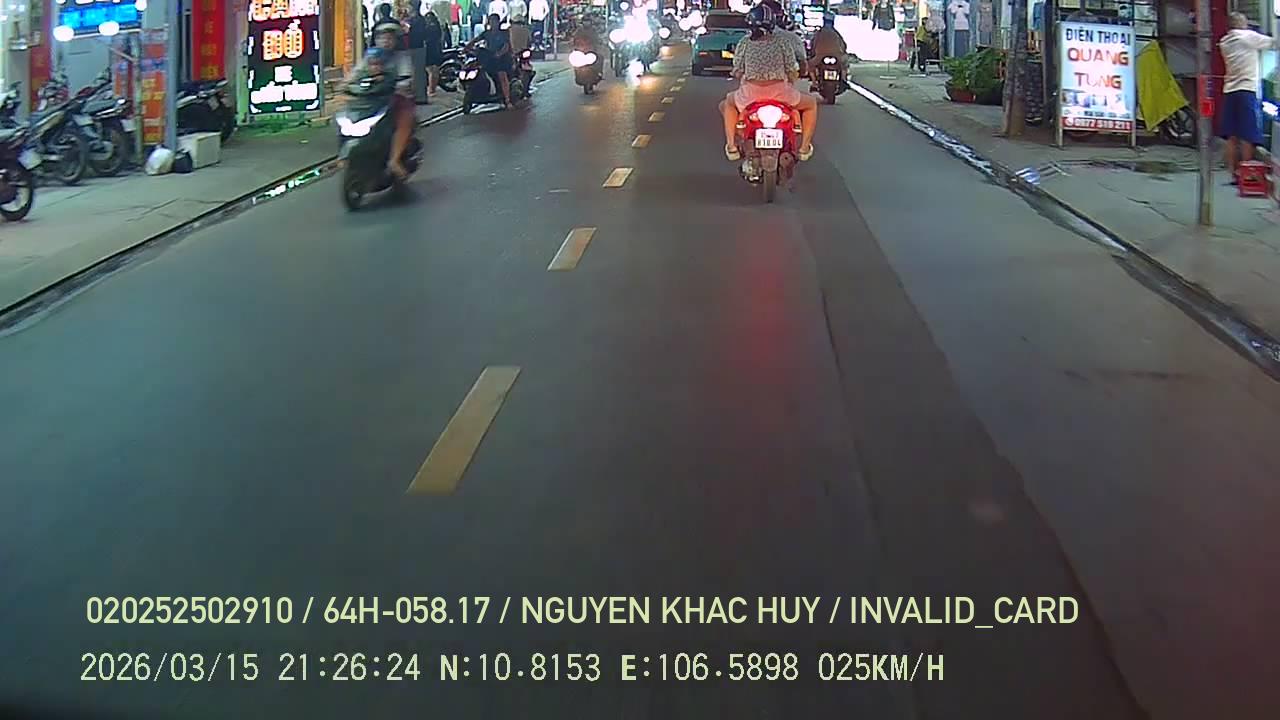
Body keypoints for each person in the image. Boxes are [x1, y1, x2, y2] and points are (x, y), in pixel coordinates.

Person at [720, 3, 817, 161]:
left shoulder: (744, 43)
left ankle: (732, 146)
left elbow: (737, 69)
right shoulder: (783, 42)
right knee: (811, 104)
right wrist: (792, 78)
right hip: (781, 93)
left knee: (728, 104)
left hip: (750, 94)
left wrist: (741, 74)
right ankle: (804, 148)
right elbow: (791, 69)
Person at [1219, 12, 1277, 182]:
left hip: (1229, 90)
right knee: (1247, 134)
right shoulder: (1247, 37)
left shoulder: (1224, 42)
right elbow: (1274, 43)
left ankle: (1233, 173)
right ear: (1241, 23)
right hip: (1246, 90)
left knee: (1231, 136)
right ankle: (1247, 173)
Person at [367, 21, 415, 178]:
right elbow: (358, 74)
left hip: (397, 99)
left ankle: (394, 160)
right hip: (374, 99)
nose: (385, 41)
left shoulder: (402, 57)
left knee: (404, 120)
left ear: (395, 40)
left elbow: (406, 77)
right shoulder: (371, 56)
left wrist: (400, 86)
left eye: (389, 38)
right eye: (381, 38)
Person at [467, 13, 514, 106]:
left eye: (494, 21)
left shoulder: (504, 33)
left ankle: (507, 100)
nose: (492, 23)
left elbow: (506, 46)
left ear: (498, 22)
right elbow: (476, 40)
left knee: (502, 75)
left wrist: (499, 53)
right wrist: (467, 47)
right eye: (491, 21)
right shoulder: (486, 33)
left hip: (502, 59)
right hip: (490, 58)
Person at [762, 0, 807, 76]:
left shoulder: (746, 40)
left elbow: (740, 70)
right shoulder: (792, 38)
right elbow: (803, 67)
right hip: (783, 80)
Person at [809, 13, 847, 88]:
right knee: (844, 64)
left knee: (810, 65)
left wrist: (813, 54)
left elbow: (813, 45)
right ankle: (843, 79)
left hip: (820, 56)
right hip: (837, 56)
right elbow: (843, 45)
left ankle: (814, 83)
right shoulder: (836, 33)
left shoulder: (819, 33)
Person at [407, 6, 431, 103]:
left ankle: (420, 97)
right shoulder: (420, 19)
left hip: (416, 48)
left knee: (417, 74)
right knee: (418, 73)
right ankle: (420, 96)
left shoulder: (415, 20)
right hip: (419, 47)